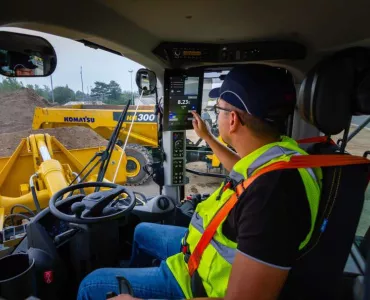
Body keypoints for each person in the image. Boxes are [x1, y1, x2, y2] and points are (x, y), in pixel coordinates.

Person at [78, 65, 322, 300]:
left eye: (219, 109)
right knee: (141, 231)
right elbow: (241, 169)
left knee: (91, 284)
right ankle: (141, 279)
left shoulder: (272, 197)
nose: (218, 116)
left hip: (198, 285)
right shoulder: (282, 157)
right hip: (198, 253)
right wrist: (207, 136)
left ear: (233, 120)